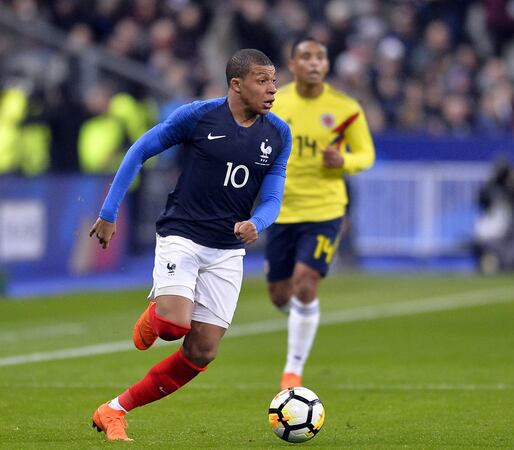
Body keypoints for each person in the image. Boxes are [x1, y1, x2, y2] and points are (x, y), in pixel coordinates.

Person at [88, 48, 290, 442]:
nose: (271, 90)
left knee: (202, 353)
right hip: (182, 234)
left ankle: (114, 410)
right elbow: (139, 151)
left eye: (274, 82)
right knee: (172, 327)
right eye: (262, 81)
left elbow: (272, 197)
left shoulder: (279, 132)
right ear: (236, 84)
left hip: (227, 251)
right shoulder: (197, 116)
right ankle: (157, 314)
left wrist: (257, 222)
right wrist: (109, 212)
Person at [265, 37, 375, 390]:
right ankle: (302, 317)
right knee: (280, 295)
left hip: (326, 209)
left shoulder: (345, 108)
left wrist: (345, 161)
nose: (314, 63)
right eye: (306, 57)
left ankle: (292, 370)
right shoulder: (275, 103)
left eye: (320, 57)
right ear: (293, 64)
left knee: (306, 283)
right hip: (281, 210)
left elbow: (366, 154)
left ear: (327, 66)